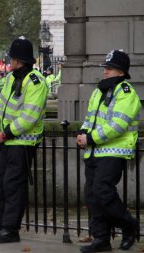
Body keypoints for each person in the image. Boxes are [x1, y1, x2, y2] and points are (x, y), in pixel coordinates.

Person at [0, 37, 48, 244]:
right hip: (6, 141)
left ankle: (10, 230)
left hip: (23, 142)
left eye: (12, 58)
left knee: (13, 186)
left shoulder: (36, 81)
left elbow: (30, 116)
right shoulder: (10, 78)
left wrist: (5, 132)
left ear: (19, 60)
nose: (9, 61)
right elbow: (1, 105)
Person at [76, 50, 141, 253]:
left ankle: (128, 225)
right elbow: (90, 118)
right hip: (94, 151)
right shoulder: (99, 91)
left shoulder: (126, 93)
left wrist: (91, 137)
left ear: (121, 72)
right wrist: (83, 133)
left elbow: (118, 125)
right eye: (105, 67)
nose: (105, 71)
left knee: (103, 191)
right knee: (92, 195)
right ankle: (101, 239)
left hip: (114, 151)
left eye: (109, 68)